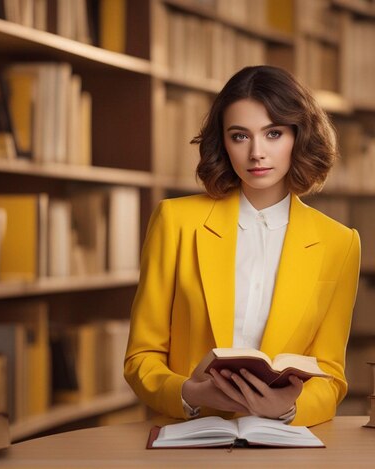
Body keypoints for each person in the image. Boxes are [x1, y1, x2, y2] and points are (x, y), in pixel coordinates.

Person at [124, 65, 360, 427]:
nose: (256, 153)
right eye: (240, 136)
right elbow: (141, 357)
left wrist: (288, 408)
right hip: (187, 437)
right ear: (223, 141)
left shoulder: (339, 243)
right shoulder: (175, 221)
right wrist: (188, 393)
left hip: (280, 442)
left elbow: (331, 374)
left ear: (299, 136)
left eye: (273, 133)